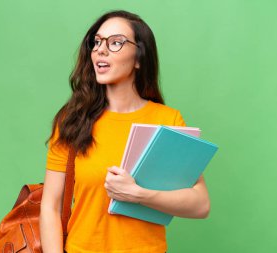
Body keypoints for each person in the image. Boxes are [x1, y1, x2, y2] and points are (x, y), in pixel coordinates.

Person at [40, 10, 210, 253]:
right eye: (97, 42)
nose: (100, 49)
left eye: (116, 42)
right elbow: (51, 206)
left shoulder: (166, 120)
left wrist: (138, 194)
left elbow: (200, 204)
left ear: (139, 58)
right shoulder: (72, 120)